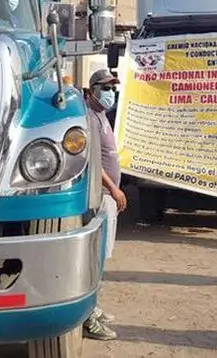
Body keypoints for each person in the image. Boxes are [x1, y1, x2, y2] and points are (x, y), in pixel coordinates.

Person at [83, 69, 127, 341]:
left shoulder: (102, 116)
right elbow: (93, 161)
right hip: (100, 197)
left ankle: (93, 306)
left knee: (101, 259)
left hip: (108, 198)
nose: (110, 92)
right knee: (94, 258)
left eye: (112, 87)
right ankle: (87, 316)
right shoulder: (89, 117)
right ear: (93, 90)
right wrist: (113, 188)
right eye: (106, 87)